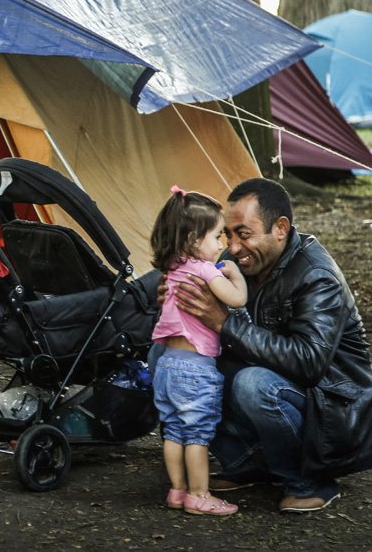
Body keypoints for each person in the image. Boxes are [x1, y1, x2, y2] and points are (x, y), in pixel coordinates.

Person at [169, 177, 372, 513]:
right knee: (173, 358)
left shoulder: (316, 275)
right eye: (227, 234)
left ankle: (311, 481)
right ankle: (253, 464)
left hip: (331, 405)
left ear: (280, 228)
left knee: (254, 384)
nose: (233, 247)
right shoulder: (236, 261)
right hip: (279, 385)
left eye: (244, 233)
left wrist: (224, 323)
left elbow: (308, 363)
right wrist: (176, 305)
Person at [148, 185, 247, 516]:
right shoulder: (205, 270)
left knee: (173, 431)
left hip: (166, 366)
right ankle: (199, 495)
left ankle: (176, 491)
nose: (222, 245)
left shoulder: (172, 270)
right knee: (198, 436)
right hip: (195, 369)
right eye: (217, 236)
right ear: (192, 239)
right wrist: (235, 275)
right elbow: (236, 300)